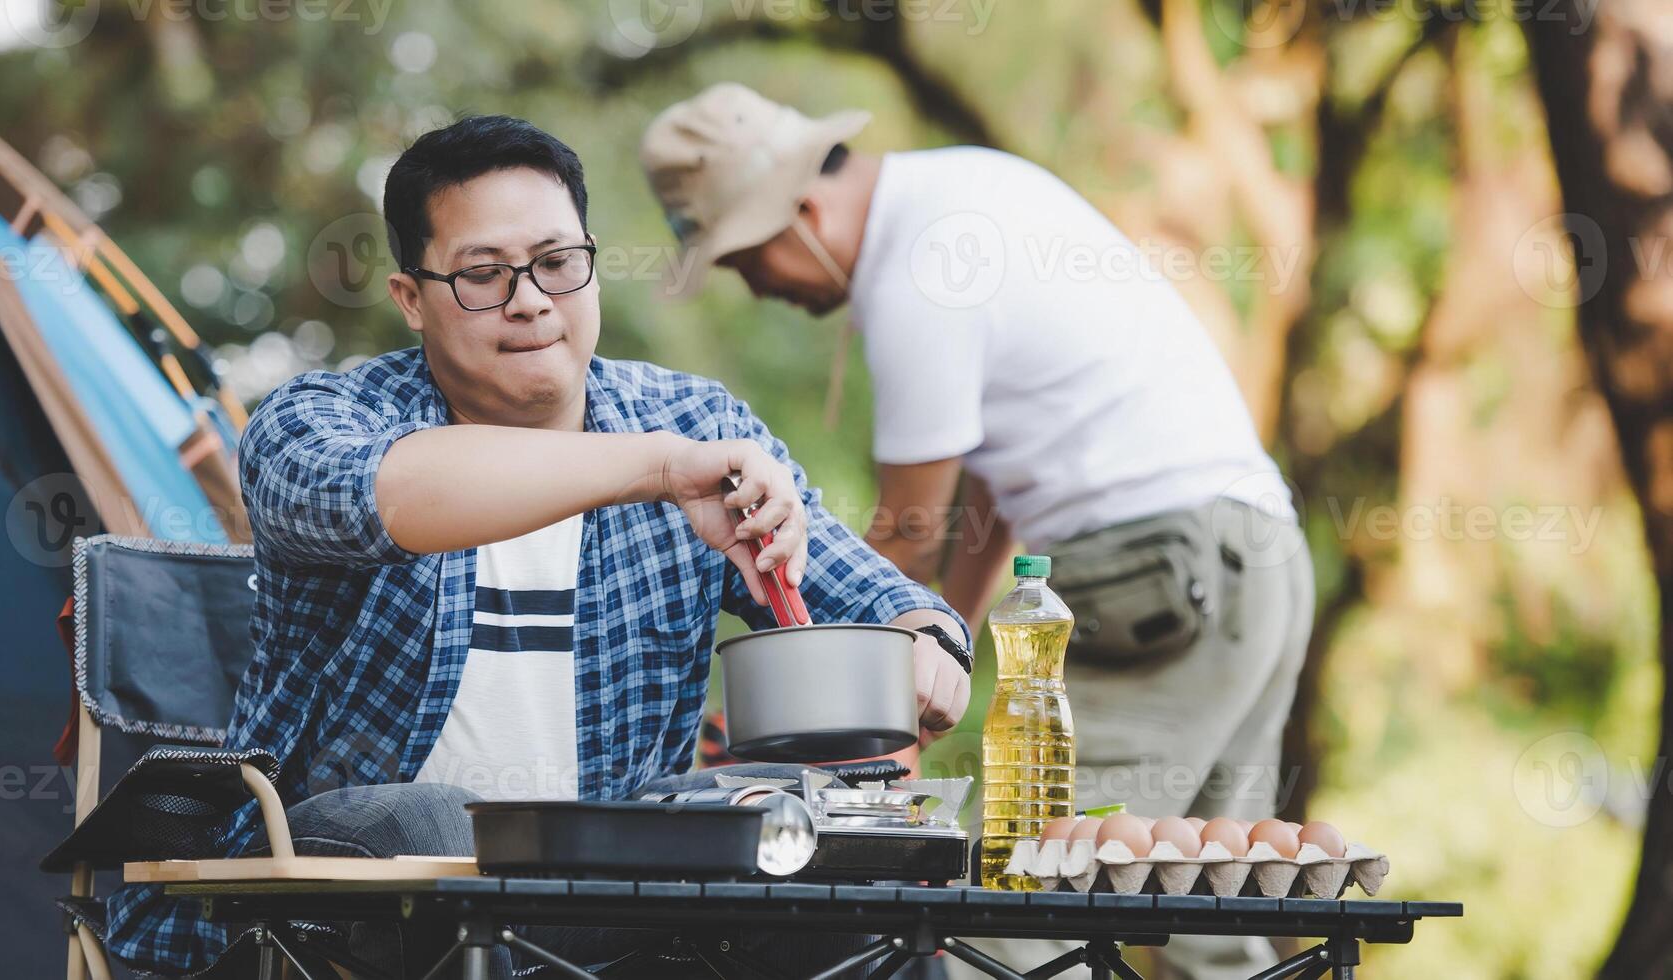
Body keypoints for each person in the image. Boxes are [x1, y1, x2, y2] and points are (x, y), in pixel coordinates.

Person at [100, 114, 976, 978]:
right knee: (444, 827)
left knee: (833, 860)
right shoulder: (318, 422)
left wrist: (929, 644)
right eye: (484, 274)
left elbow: (875, 596)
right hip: (323, 874)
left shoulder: (693, 421)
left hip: (605, 887)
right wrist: (660, 471)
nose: (530, 299)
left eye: (557, 264)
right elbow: (393, 495)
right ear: (411, 298)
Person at [641, 84, 1314, 979]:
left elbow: (911, 532)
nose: (756, 285)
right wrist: (925, 673)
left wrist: (835, 716)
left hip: (1158, 573)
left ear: (801, 212)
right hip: (1254, 561)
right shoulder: (965, 192)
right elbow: (982, 499)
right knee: (1200, 894)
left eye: (745, 258)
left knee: (1027, 889)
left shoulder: (917, 267)